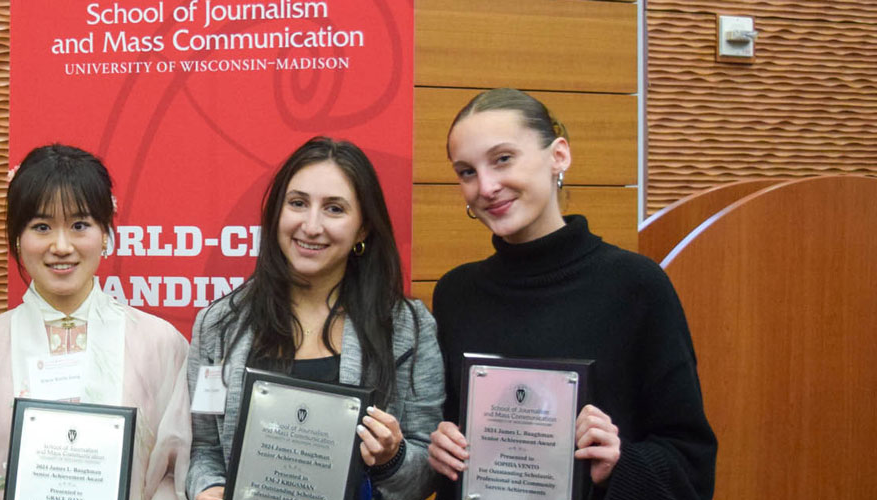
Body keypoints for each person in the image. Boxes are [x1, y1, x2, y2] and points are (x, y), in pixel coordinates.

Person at [426, 87, 717, 499]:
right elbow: (457, 441)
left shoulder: (636, 285)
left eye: (503, 159)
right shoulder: (456, 293)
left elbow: (692, 466)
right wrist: (443, 452)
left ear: (558, 156)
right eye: (467, 171)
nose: (486, 186)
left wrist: (620, 464)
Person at [0, 144, 190, 499]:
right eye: (42, 226)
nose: (61, 245)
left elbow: (176, 473)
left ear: (106, 233)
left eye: (80, 225)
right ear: (17, 238)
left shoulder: (159, 344)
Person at [185, 137, 443, 500]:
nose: (310, 225)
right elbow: (205, 451)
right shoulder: (219, 325)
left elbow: (426, 475)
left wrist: (391, 457)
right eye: (298, 203)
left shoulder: (404, 327)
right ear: (277, 212)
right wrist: (208, 489)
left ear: (363, 228)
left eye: (334, 209)